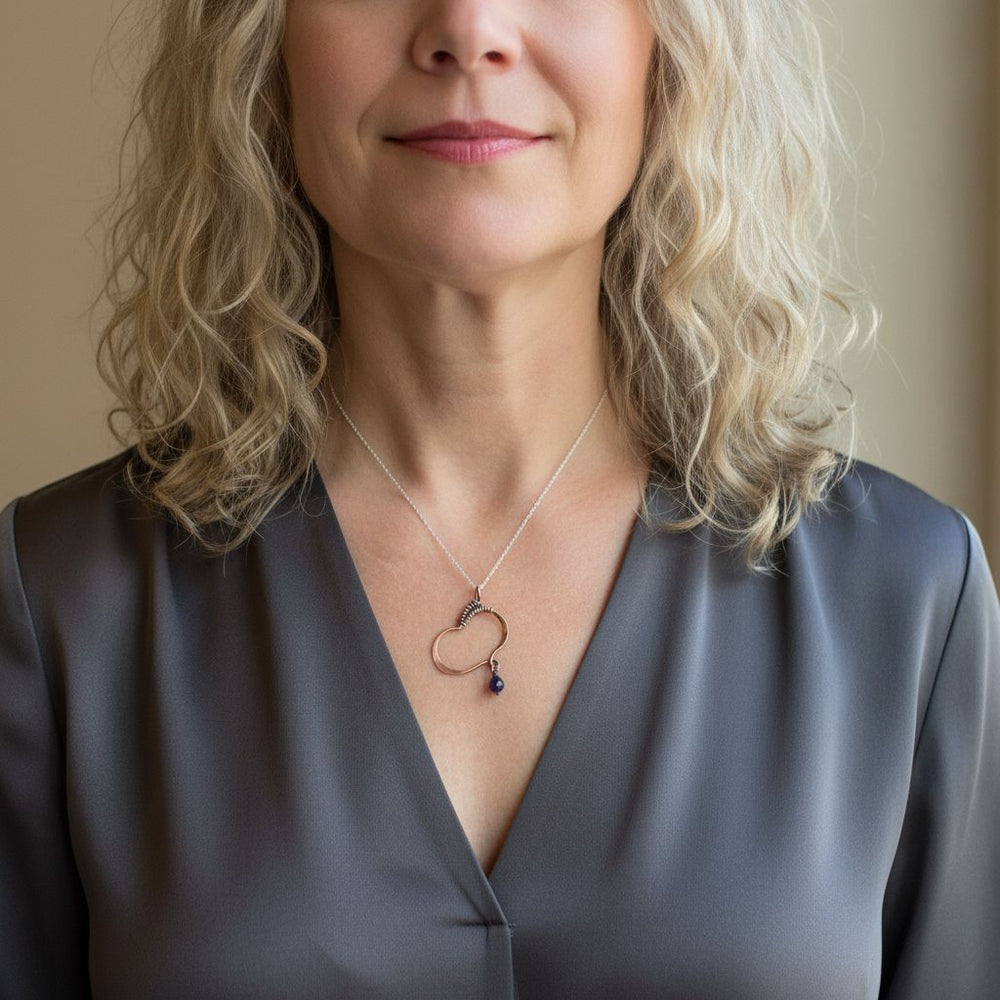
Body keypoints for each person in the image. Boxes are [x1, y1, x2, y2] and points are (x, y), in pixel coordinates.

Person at [1, 0, 998, 996]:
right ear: (261, 45)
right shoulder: (55, 604)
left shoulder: (912, 598)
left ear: (672, 46)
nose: (469, 27)